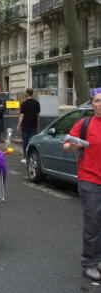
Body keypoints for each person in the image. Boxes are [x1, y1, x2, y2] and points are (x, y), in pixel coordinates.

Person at [63, 88, 101, 281]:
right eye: (97, 100)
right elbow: (66, 144)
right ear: (92, 104)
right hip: (90, 180)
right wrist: (72, 146)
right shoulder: (84, 123)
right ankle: (90, 263)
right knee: (93, 223)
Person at [17, 88, 40, 163]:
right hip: (34, 125)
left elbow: (21, 115)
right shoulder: (37, 103)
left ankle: (26, 157)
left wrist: (18, 125)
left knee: (25, 142)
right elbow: (38, 115)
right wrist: (38, 124)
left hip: (25, 126)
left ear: (27, 93)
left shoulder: (24, 104)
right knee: (33, 142)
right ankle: (33, 157)